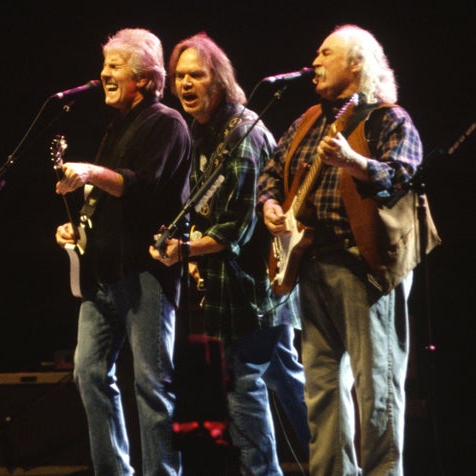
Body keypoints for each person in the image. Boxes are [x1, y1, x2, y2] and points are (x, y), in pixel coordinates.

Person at [258, 24, 425, 475]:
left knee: (377, 389)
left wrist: (354, 163)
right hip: (311, 265)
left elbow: (403, 173)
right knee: (322, 390)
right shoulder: (307, 120)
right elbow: (271, 171)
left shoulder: (387, 117)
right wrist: (271, 204)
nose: (314, 61)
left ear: (356, 63)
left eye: (325, 53)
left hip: (363, 266)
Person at [151, 32, 309, 475]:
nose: (184, 84)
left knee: (248, 385)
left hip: (258, 291)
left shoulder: (242, 133)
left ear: (218, 81)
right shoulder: (201, 134)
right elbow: (203, 210)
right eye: (179, 76)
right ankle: (336, 460)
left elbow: (238, 227)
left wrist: (186, 251)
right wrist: (185, 244)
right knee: (281, 377)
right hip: (234, 291)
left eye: (195, 75)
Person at [54, 28, 191, 476]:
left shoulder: (166, 122)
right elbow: (108, 200)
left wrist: (92, 172)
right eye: (105, 64)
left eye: (115, 66)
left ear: (147, 77)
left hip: (145, 272)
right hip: (104, 274)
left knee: (151, 383)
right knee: (88, 373)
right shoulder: (118, 126)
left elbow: (142, 185)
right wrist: (77, 228)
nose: (103, 74)